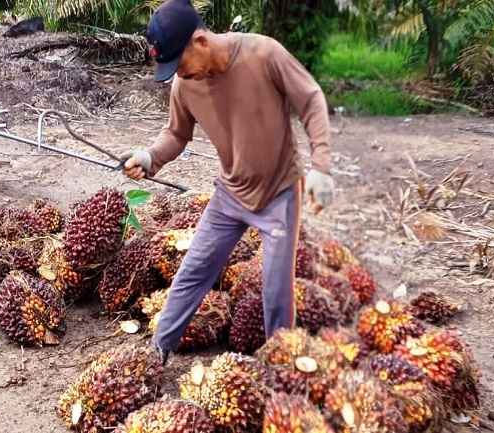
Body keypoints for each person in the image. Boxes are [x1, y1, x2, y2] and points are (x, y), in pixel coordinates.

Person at [119, 0, 335, 365]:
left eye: (179, 64)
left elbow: (311, 100)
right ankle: (158, 353)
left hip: (279, 191)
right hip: (230, 193)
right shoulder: (184, 86)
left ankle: (281, 369)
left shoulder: (263, 53)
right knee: (192, 271)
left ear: (201, 41)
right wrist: (149, 157)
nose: (178, 75)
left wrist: (321, 167)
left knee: (276, 290)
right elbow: (176, 134)